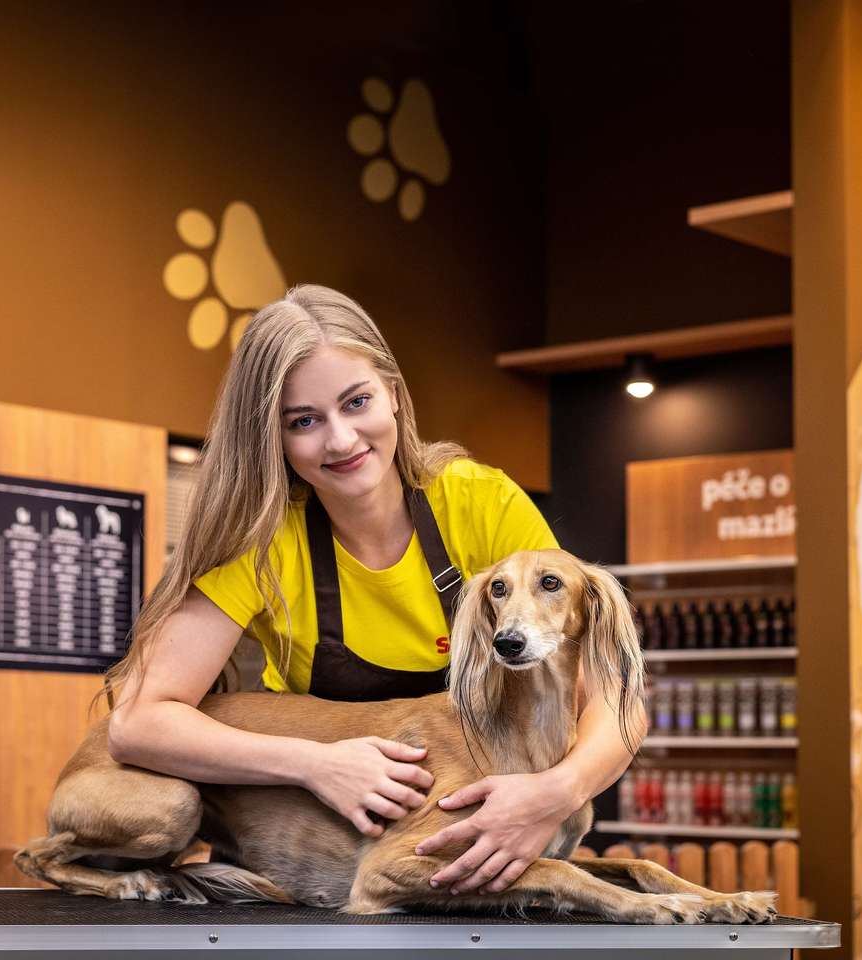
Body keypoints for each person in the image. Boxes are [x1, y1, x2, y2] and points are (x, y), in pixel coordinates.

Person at [106, 284, 644, 897]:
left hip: (468, 842)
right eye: (303, 421)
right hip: (326, 859)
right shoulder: (260, 543)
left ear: (393, 393)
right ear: (270, 437)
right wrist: (316, 762)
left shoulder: (480, 503)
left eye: (356, 401)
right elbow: (139, 724)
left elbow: (615, 698)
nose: (340, 440)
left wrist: (554, 793)